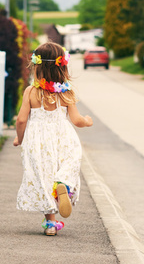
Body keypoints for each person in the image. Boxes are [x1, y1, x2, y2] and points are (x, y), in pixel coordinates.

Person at [13, 42, 94, 236]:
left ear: (36, 66)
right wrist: (87, 121)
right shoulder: (66, 91)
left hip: (38, 140)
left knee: (43, 175)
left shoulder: (31, 92)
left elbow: (21, 120)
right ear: (62, 67)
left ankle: (50, 224)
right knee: (67, 165)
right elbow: (76, 120)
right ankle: (64, 185)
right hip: (64, 136)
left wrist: (20, 138)